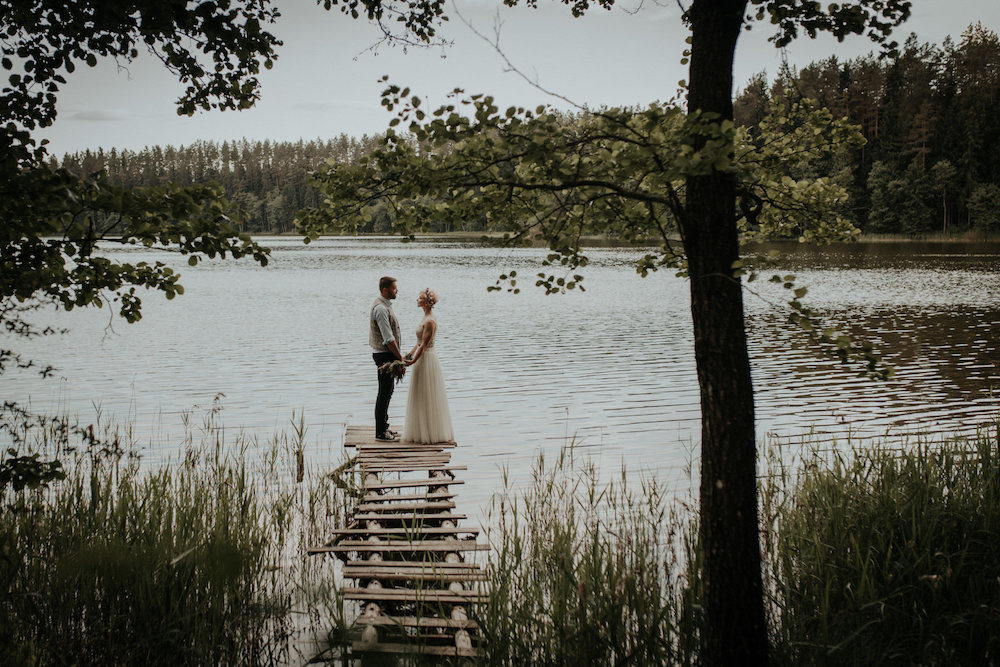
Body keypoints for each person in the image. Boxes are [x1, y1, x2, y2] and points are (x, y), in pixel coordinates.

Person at [402, 288, 454, 444]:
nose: (417, 300)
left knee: (427, 393)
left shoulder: (430, 320)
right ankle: (419, 429)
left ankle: (430, 432)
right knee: (420, 393)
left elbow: (424, 345)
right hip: (420, 358)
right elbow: (418, 343)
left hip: (427, 360)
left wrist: (413, 361)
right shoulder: (424, 317)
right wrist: (408, 356)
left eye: (419, 298)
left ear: (426, 302)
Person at [370, 276, 404, 441]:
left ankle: (384, 427)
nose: (397, 290)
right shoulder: (381, 309)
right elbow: (388, 339)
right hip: (384, 355)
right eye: (394, 288)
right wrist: (400, 358)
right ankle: (380, 432)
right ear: (385, 290)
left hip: (386, 354)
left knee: (388, 391)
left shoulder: (385, 307)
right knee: (384, 393)